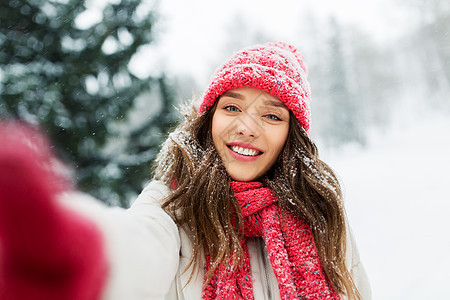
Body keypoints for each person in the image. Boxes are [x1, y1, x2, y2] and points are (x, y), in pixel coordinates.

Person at [0, 42, 371, 300]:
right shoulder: (174, 204)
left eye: (272, 115)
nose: (246, 127)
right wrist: (82, 254)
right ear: (208, 118)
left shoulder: (318, 211)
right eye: (231, 107)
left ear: (291, 136)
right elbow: (137, 247)